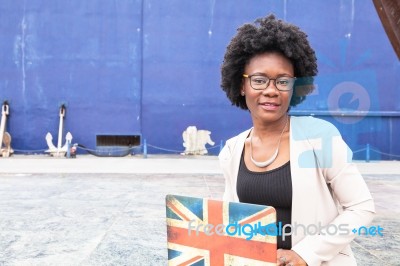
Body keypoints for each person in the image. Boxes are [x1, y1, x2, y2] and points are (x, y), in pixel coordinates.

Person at [219, 14, 375, 266]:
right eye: (259, 80)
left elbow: (361, 207)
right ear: (241, 85)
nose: (271, 89)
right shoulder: (232, 150)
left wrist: (306, 253)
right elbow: (232, 219)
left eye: (283, 81)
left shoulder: (320, 137)